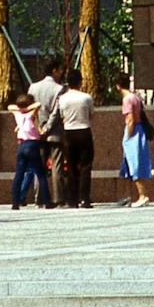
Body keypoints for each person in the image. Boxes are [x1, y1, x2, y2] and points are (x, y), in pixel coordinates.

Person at [56, 68, 96, 209]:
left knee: (71, 166)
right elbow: (91, 114)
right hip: (84, 131)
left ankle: (72, 199)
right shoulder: (86, 98)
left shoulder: (62, 98)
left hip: (68, 132)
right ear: (80, 82)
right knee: (85, 166)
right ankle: (84, 198)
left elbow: (61, 116)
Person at [7, 92, 53, 209]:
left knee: (19, 174)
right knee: (41, 174)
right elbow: (38, 104)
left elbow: (10, 107)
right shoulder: (31, 114)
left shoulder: (17, 114)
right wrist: (27, 108)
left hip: (21, 145)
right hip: (32, 145)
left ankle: (15, 202)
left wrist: (21, 109)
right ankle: (47, 201)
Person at [27, 60, 65, 201]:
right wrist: (47, 127)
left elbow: (31, 109)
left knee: (39, 166)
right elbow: (56, 111)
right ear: (54, 70)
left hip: (37, 132)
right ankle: (58, 198)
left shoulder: (33, 87)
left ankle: (39, 197)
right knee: (57, 166)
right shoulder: (59, 89)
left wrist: (38, 127)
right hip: (54, 132)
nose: (61, 73)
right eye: (59, 70)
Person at [115, 73, 153, 206]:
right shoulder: (135, 97)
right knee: (130, 164)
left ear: (118, 86)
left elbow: (130, 119)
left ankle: (143, 195)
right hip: (140, 129)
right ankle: (131, 195)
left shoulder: (127, 99)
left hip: (133, 131)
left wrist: (128, 136)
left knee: (134, 163)